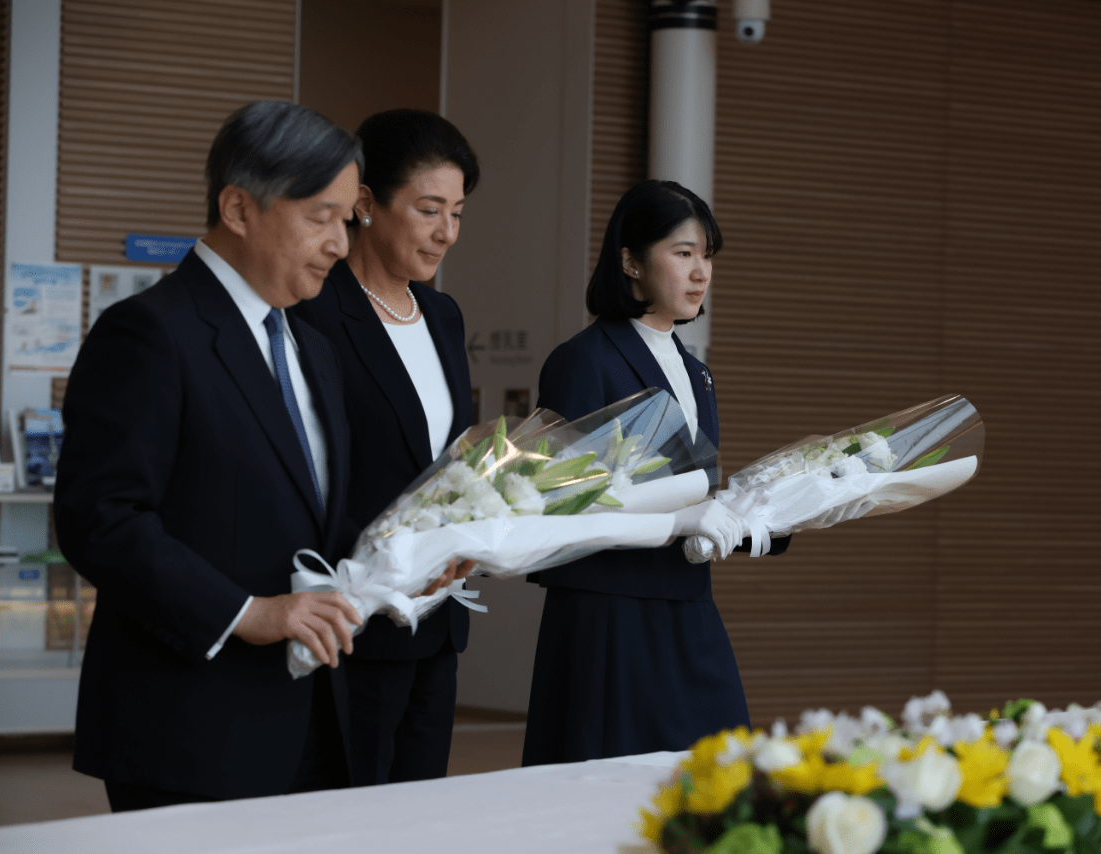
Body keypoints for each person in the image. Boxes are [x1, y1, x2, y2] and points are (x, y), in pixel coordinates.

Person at [54, 101, 429, 810]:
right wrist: (246, 612)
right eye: (321, 216)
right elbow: (99, 517)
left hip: (317, 713)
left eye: (349, 219)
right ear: (237, 207)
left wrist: (418, 560)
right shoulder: (147, 333)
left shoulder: (312, 348)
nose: (342, 244)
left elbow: (314, 517)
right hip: (191, 726)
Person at [521, 179, 787, 766]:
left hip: (687, 604)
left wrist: (764, 512)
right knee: (609, 791)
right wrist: (685, 516)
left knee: (716, 781)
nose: (701, 272)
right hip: (609, 614)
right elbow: (566, 505)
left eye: (708, 255)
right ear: (630, 262)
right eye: (683, 253)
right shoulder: (582, 361)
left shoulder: (695, 371)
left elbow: (696, 491)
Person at [294, 109, 479, 785]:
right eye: (429, 210)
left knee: (421, 813)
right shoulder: (314, 309)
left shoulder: (443, 315)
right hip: (352, 609)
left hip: (439, 615)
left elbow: (451, 455)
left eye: (457, 213)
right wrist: (387, 562)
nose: (446, 233)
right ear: (366, 204)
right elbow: (307, 471)